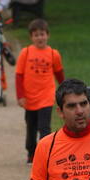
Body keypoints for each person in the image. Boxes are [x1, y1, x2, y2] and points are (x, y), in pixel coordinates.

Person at [16, 18, 65, 163]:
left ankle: (45, 156)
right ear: (31, 37)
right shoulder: (26, 52)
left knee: (44, 127)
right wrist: (20, 96)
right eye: (36, 35)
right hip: (30, 98)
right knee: (31, 128)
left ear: (47, 35)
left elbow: (59, 74)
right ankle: (31, 152)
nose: (40, 38)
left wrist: (65, 93)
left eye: (42, 34)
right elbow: (19, 76)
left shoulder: (53, 54)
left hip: (46, 96)